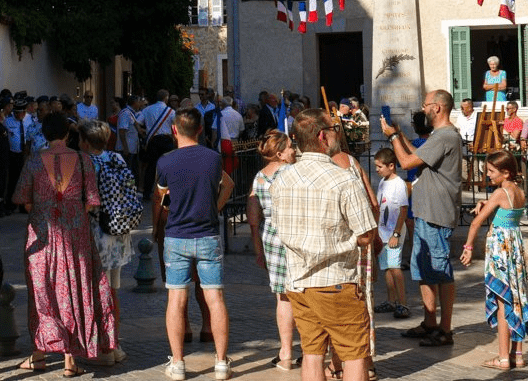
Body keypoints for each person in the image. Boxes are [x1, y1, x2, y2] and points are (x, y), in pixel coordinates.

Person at [271, 112, 377, 381]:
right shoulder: (343, 179)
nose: (337, 133)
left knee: (312, 353)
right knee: (353, 355)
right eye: (334, 128)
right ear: (322, 136)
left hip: (298, 282)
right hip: (335, 280)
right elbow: (366, 234)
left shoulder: (282, 178)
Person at [13, 112, 116, 376]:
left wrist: (43, 207)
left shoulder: (34, 161)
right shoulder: (83, 161)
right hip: (76, 235)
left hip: (41, 236)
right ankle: (70, 360)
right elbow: (93, 201)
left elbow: (22, 199)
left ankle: (39, 353)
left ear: (44, 135)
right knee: (72, 292)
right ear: (68, 134)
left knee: (42, 293)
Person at [154, 109, 234, 381]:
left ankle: (177, 363)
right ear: (200, 130)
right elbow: (229, 184)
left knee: (176, 300)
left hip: (176, 235)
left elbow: (162, 194)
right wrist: (215, 206)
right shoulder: (213, 158)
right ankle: (221, 362)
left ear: (175, 130)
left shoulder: (165, 161)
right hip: (207, 234)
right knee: (215, 299)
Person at [380, 89, 462, 348]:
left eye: (425, 105)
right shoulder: (438, 136)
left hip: (436, 214)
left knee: (440, 271)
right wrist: (400, 134)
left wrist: (393, 137)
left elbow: (405, 162)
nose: (422, 109)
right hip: (427, 212)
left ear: (437, 108)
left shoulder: (445, 136)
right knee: (425, 271)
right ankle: (430, 322)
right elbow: (417, 154)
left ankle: (445, 329)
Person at [460, 150, 528, 371]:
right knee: (517, 299)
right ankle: (517, 355)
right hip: (515, 248)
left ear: (505, 172)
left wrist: (468, 247)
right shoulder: (518, 191)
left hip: (500, 250)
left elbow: (476, 223)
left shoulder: (500, 192)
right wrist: (487, 202)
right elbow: (505, 210)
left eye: (492, 172)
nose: (488, 176)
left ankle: (503, 358)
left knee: (503, 302)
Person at [78, 120, 131, 366]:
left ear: (86, 142)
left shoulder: (85, 163)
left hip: (95, 232)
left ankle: (101, 347)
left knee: (94, 293)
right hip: (118, 232)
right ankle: (115, 343)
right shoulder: (117, 159)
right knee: (113, 292)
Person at [246, 130, 299, 371]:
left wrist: (258, 250)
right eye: (290, 147)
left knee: (283, 296)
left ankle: (285, 351)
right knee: (305, 294)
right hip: (296, 236)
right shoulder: (293, 172)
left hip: (272, 240)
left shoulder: (258, 178)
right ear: (279, 153)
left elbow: (254, 219)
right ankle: (311, 348)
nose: (294, 150)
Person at [373, 147, 410, 319]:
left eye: (380, 167)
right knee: (387, 267)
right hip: (382, 232)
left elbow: (403, 209)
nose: (377, 170)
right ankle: (391, 300)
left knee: (395, 268)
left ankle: (403, 303)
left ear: (391, 166)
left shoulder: (399, 184)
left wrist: (396, 234)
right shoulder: (382, 182)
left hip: (394, 233)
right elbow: (380, 206)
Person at [138, 90, 176, 197]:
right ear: (166, 98)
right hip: (166, 140)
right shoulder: (170, 111)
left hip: (152, 140)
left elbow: (138, 122)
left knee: (151, 167)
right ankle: (167, 193)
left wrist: (142, 133)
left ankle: (147, 192)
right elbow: (176, 125)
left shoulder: (147, 109)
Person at [115, 96, 142, 186]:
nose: (140, 104)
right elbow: (122, 131)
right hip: (126, 150)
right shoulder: (126, 114)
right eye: (139, 101)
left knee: (132, 171)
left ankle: (130, 188)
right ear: (134, 103)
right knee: (127, 172)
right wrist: (125, 148)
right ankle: (127, 189)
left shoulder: (130, 113)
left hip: (131, 149)